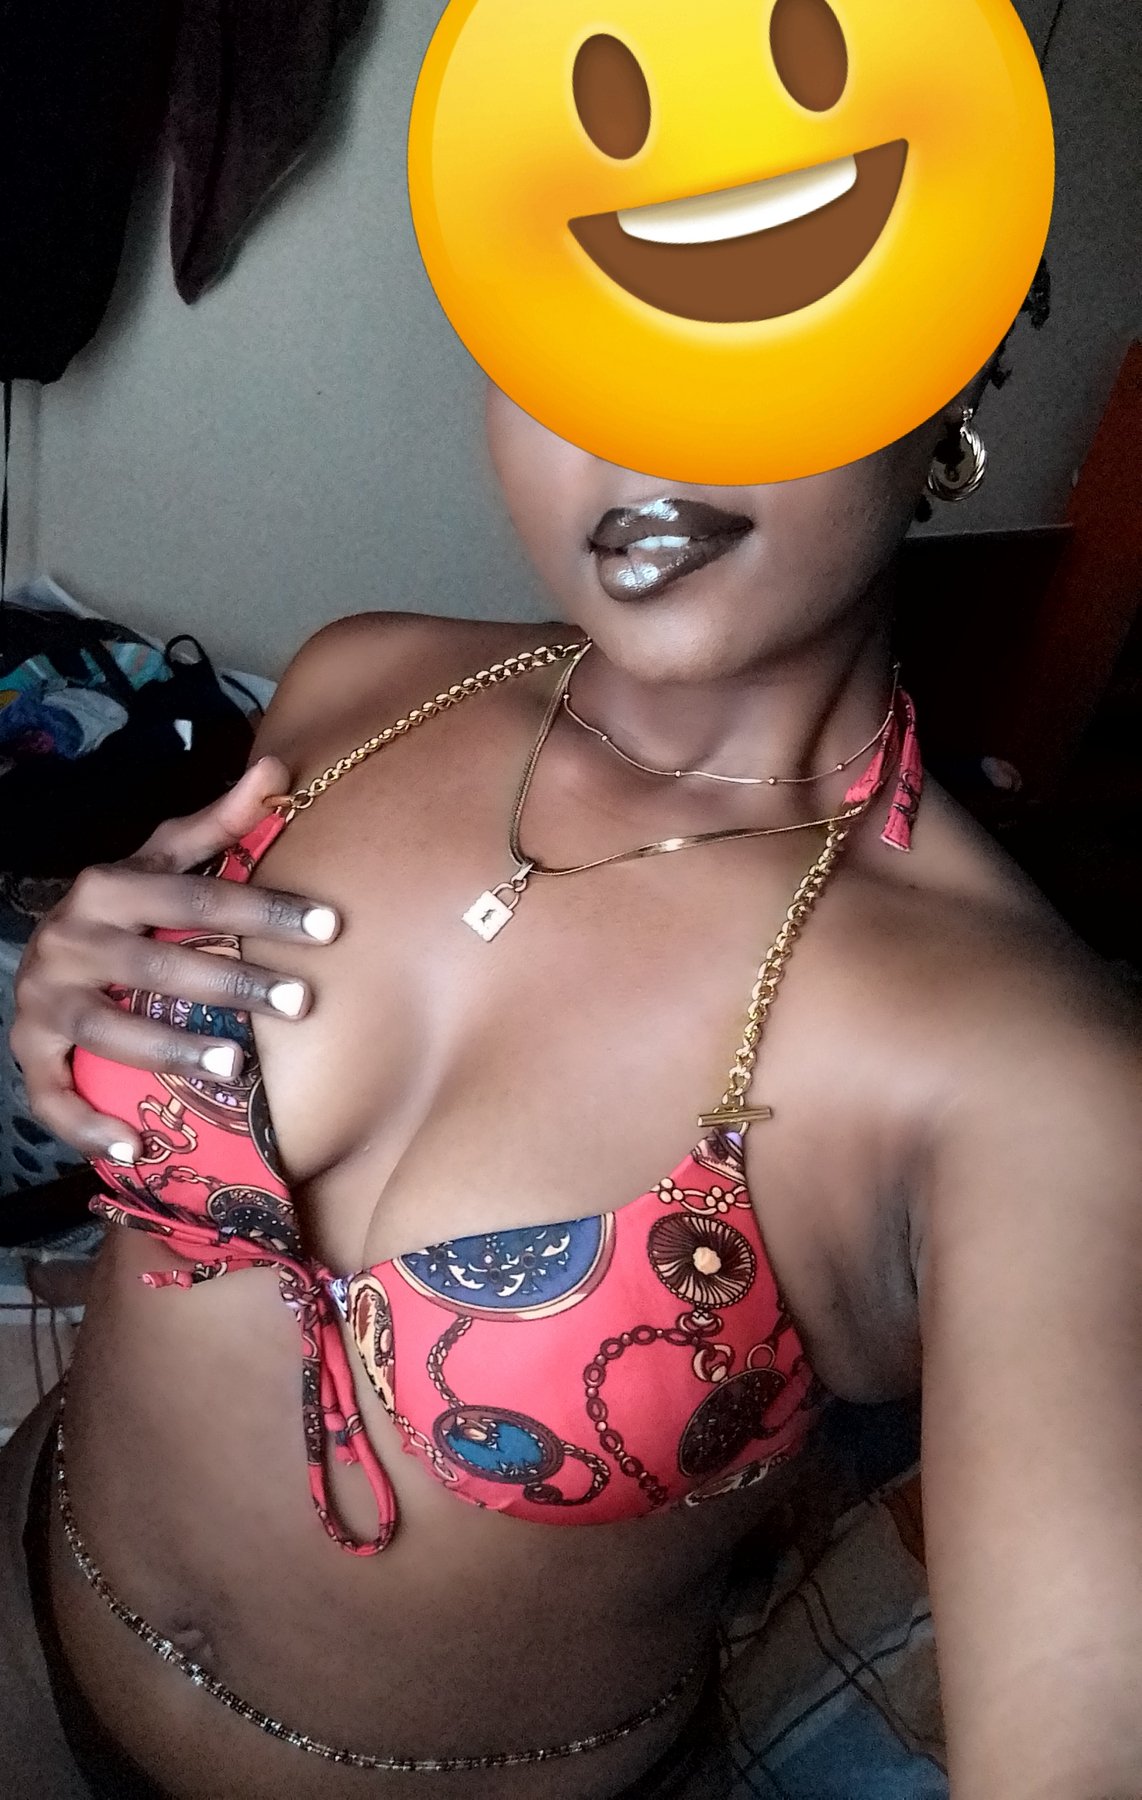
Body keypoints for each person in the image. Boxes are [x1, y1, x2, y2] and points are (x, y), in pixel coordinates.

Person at [3, 364, 1140, 1800]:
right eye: (573, 341)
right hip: (28, 1606)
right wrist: (76, 992)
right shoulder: (360, 680)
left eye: (754, 336)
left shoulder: (1027, 1067)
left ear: (946, 391)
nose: (640, 429)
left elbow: (1079, 1716)